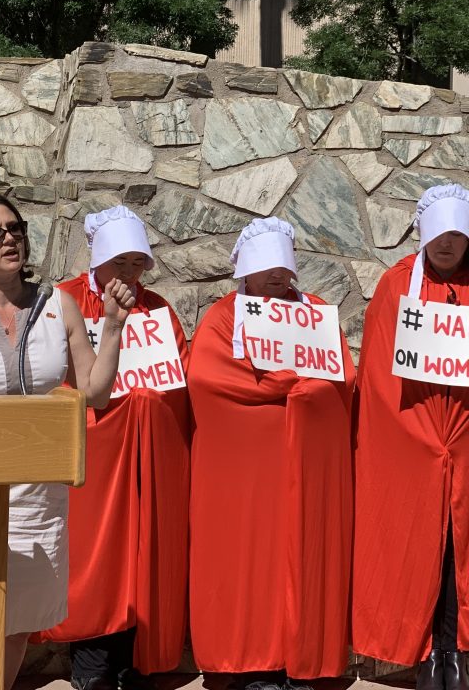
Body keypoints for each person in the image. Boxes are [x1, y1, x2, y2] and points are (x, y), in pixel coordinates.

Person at [0, 192, 135, 690]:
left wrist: (115, 328)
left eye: (15, 229)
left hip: (38, 497)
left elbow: (94, 394)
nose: (9, 239)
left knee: (19, 624)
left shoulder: (61, 305)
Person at [188, 217, 354, 688]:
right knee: (247, 564)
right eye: (266, 269)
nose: (277, 276)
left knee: (305, 557)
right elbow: (208, 378)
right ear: (245, 271)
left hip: (305, 464)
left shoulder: (316, 310)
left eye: (283, 267)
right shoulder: (221, 318)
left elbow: (341, 374)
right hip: (244, 473)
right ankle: (253, 665)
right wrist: (298, 384)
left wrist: (294, 389)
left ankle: (301, 663)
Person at [36, 206, 190, 690]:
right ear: (97, 262)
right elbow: (51, 375)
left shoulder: (160, 308)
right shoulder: (62, 302)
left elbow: (178, 379)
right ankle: (93, 666)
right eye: (118, 263)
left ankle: (135, 662)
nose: (128, 273)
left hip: (147, 456)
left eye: (136, 263)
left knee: (141, 558)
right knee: (94, 560)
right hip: (93, 455)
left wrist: (146, 407)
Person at [353, 184, 469, 690]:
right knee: (419, 544)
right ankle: (425, 655)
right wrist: (419, 437)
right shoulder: (395, 285)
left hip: (466, 434)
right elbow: (379, 376)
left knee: (460, 549)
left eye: (458, 234)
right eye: (439, 232)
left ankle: (457, 651)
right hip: (413, 434)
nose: (447, 243)